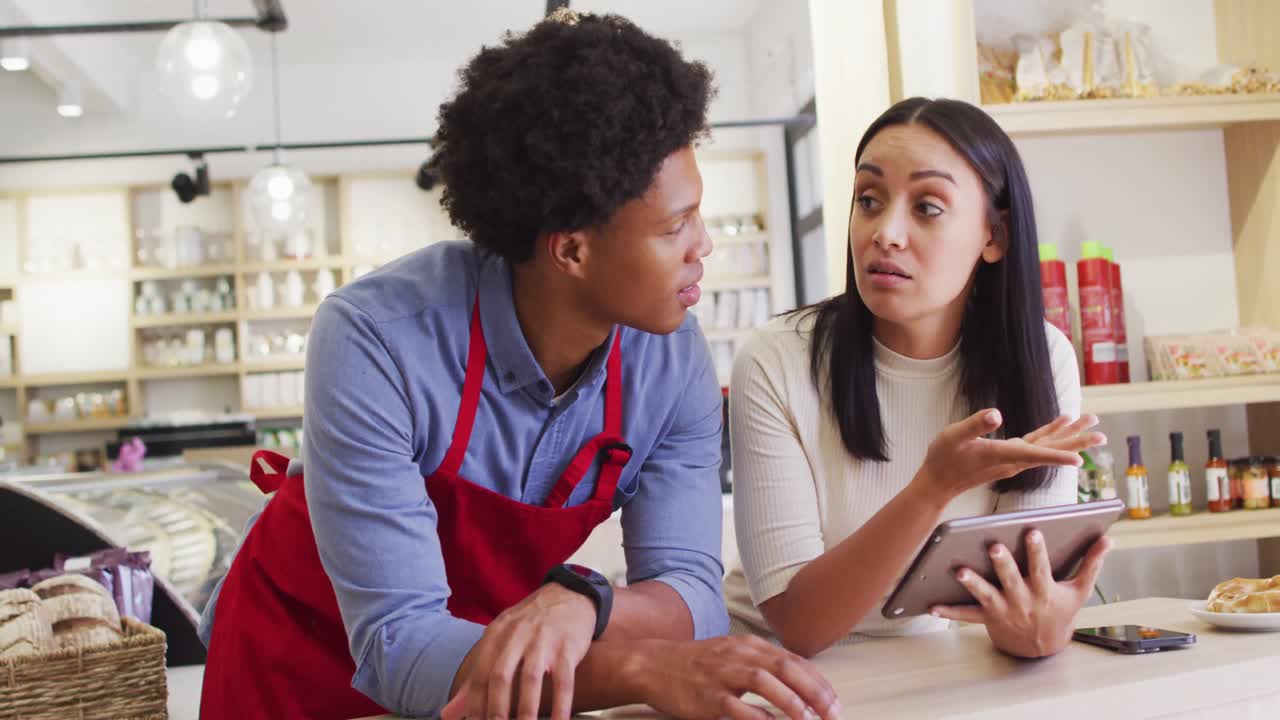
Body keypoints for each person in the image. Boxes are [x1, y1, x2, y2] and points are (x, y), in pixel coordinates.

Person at [198, 10, 839, 720]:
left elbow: (690, 594)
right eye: (673, 226)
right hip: (306, 663)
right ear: (571, 251)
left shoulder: (671, 362)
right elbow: (401, 648)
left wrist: (582, 604)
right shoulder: (376, 340)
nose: (704, 246)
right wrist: (635, 666)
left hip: (499, 668)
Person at [725, 97, 1112, 659]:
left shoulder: (1039, 359)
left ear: (994, 235)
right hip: (771, 672)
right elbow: (800, 624)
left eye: (927, 207)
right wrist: (933, 488)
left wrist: (1040, 627)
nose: (886, 233)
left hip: (923, 668)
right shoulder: (776, 360)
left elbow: (1016, 600)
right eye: (869, 200)